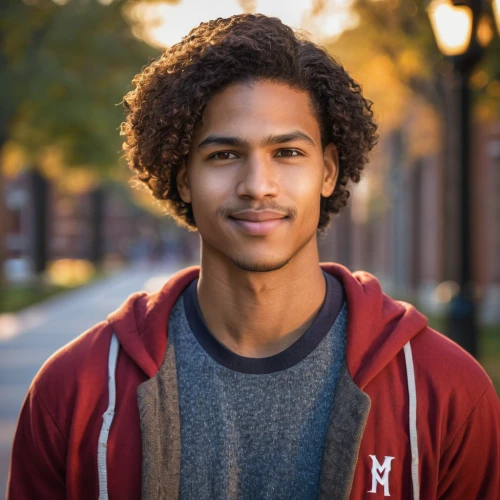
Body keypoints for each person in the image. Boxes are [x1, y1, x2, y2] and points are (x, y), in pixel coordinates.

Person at [7, 14, 499, 500]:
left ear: (328, 171)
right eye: (224, 155)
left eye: (287, 153)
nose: (257, 186)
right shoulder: (74, 391)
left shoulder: (445, 390)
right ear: (183, 177)